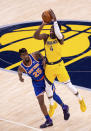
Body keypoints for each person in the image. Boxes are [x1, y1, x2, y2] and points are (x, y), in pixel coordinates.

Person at [33, 9, 87, 113]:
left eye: (53, 29)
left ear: (57, 30)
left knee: (69, 85)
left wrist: (55, 20)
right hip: (49, 67)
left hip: (59, 66)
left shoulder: (60, 38)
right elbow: (35, 36)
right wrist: (43, 25)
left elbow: (58, 33)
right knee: (48, 87)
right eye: (51, 29)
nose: (51, 31)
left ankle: (80, 100)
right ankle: (52, 105)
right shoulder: (46, 37)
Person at [18, 48, 70, 128]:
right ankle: (48, 120)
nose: (25, 56)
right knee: (41, 102)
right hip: (36, 84)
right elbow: (19, 72)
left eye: (26, 54)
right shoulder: (21, 67)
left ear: (28, 53)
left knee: (53, 95)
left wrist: (43, 59)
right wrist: (20, 78)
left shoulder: (34, 55)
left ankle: (64, 107)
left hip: (45, 79)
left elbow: (39, 53)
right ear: (21, 57)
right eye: (23, 55)